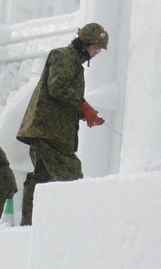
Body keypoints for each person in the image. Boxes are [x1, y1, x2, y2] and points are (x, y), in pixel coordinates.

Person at [15, 22, 108, 226]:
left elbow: (62, 97)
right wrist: (83, 106)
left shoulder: (73, 62)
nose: (97, 52)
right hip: (49, 131)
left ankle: (30, 225)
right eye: (97, 48)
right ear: (87, 43)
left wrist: (84, 113)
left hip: (50, 131)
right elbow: (57, 87)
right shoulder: (64, 56)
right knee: (71, 173)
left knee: (42, 177)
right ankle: (69, 224)